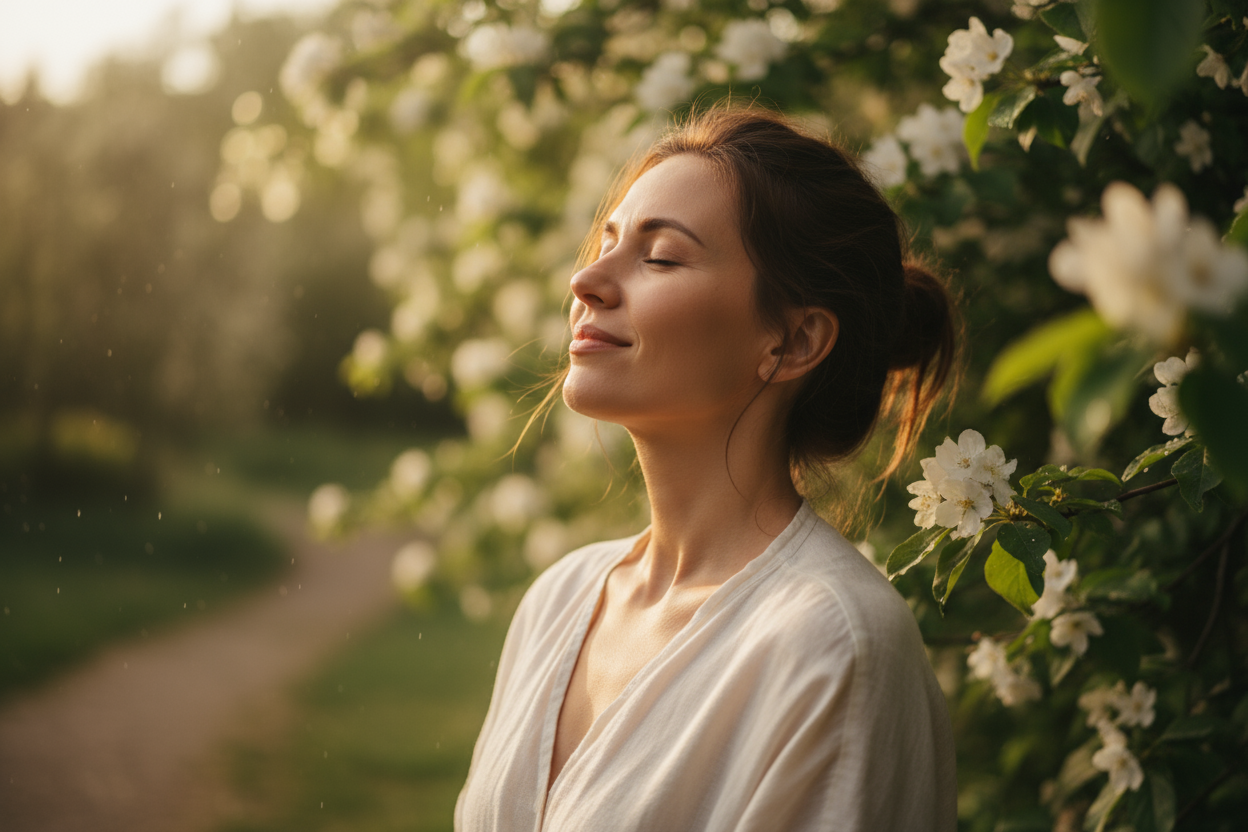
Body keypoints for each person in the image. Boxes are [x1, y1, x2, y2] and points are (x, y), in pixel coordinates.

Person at [455, 106, 959, 831]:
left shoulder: (834, 645)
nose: (587, 280)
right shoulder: (558, 601)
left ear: (792, 341)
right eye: (607, 242)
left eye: (659, 257)